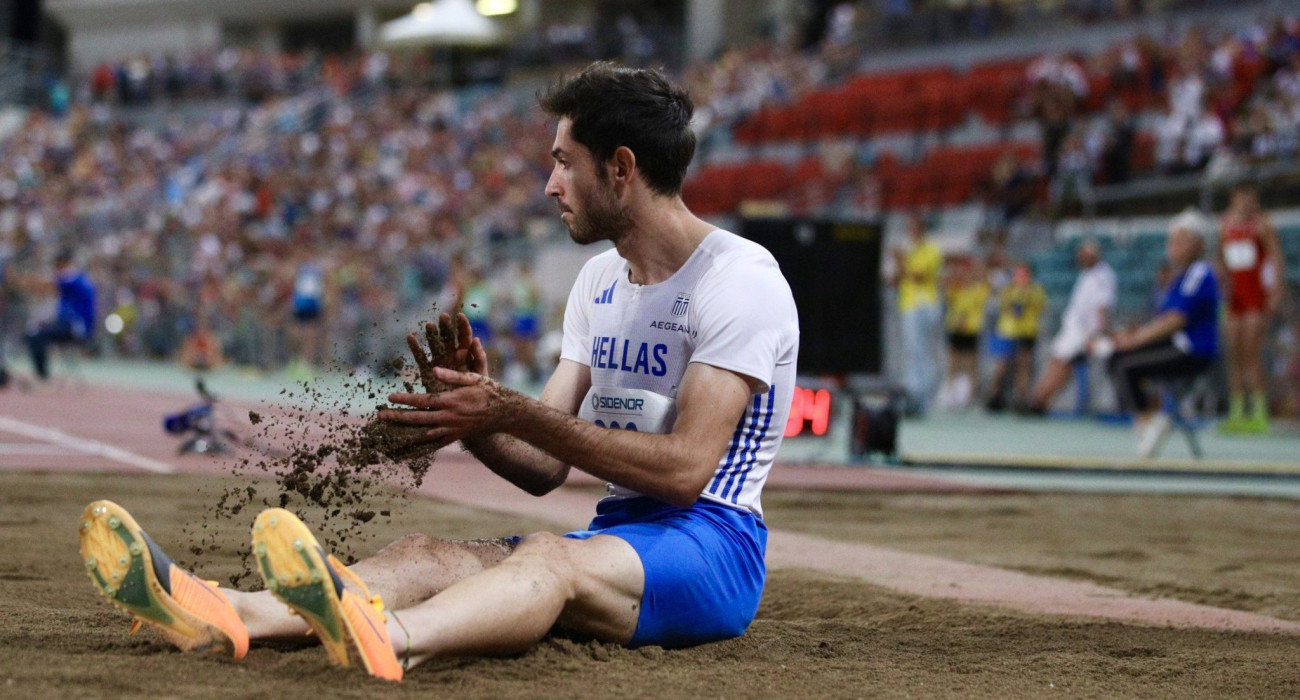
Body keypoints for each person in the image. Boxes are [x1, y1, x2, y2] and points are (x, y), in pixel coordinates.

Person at [78, 62, 800, 682]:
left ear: (620, 167)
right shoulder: (598, 283)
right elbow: (544, 465)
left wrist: (509, 409)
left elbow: (684, 473)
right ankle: (227, 613)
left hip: (714, 546)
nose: (550, 185)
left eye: (562, 161)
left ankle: (388, 639)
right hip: (618, 540)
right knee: (427, 553)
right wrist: (476, 419)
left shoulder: (738, 281)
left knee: (547, 558)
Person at [1105, 208, 1219, 457]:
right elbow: (1162, 319)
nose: (1172, 247)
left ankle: (1150, 423)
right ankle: (1149, 421)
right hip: (1177, 345)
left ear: (1198, 243)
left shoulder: (1199, 272)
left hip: (1192, 350)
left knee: (1125, 364)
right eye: (1172, 240)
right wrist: (1130, 337)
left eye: (1180, 240)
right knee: (1117, 358)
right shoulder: (1181, 277)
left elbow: (1175, 320)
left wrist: (1134, 341)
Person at [1216, 185, 1283, 434]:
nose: (1245, 202)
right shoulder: (1224, 225)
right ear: (1234, 198)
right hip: (1235, 298)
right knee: (1234, 353)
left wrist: (1275, 291)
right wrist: (1221, 285)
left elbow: (1276, 257)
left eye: (1250, 197)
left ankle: (1258, 411)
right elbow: (1221, 259)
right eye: (1241, 197)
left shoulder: (1262, 225)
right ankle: (1237, 412)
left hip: (1256, 296)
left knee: (1251, 352)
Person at [1028, 238, 1117, 413]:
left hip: (1084, 332)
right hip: (1073, 329)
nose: (1081, 258)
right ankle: (1040, 401)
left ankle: (1039, 401)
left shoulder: (1102, 276)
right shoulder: (1087, 274)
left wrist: (1101, 332)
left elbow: (1102, 306)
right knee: (1058, 364)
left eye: (1086, 254)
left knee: (1060, 363)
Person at [892, 213, 943, 415]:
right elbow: (897, 279)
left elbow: (918, 276)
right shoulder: (910, 251)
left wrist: (901, 260)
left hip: (924, 305)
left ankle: (923, 395)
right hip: (909, 304)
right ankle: (913, 392)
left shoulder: (930, 250)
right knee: (912, 351)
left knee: (921, 351)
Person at [23, 249, 96, 382]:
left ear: (65, 263)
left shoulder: (72, 278)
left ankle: (43, 376)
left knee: (35, 334)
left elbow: (45, 284)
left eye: (58, 265)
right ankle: (42, 374)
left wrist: (16, 278)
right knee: (33, 330)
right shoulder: (80, 278)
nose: (56, 268)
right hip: (70, 325)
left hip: (74, 327)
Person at [986, 263, 1046, 412]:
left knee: (1023, 366)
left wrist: (1026, 296)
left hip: (1027, 331)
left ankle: (1021, 398)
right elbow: (1002, 306)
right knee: (1002, 365)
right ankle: (994, 395)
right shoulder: (1008, 290)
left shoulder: (1036, 290)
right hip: (1008, 331)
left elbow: (1041, 306)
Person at [938, 256, 989, 410]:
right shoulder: (954, 289)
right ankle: (950, 393)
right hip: (955, 329)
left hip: (971, 330)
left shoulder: (978, 290)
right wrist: (953, 271)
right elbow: (942, 284)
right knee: (953, 363)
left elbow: (986, 280)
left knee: (969, 364)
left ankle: (969, 395)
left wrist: (976, 269)